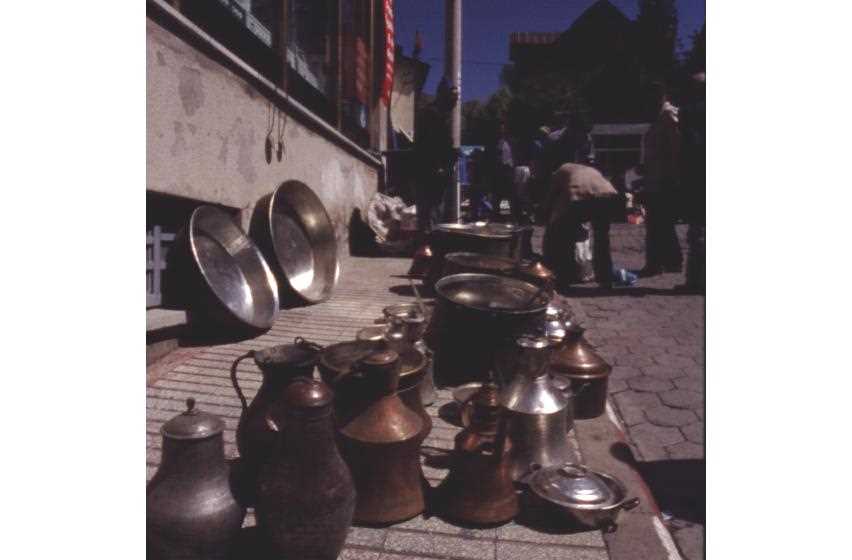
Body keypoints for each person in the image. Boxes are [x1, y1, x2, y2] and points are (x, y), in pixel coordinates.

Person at [542, 163, 619, 289]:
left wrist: (544, 211)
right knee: (602, 240)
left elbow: (551, 196)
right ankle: (605, 278)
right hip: (608, 196)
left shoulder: (559, 172)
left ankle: (564, 278)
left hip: (579, 198)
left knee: (564, 238)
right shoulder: (587, 169)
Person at [639, 82, 683, 277]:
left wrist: (672, 175)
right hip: (655, 176)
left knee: (657, 222)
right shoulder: (658, 116)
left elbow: (675, 146)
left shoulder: (667, 115)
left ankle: (656, 263)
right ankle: (671, 261)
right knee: (662, 222)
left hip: (663, 178)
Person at [413, 77, 458, 234]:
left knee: (433, 214)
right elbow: (429, 146)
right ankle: (427, 242)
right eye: (452, 97)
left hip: (436, 175)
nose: (454, 102)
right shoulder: (431, 115)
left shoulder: (440, 116)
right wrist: (440, 166)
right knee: (429, 215)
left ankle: (428, 240)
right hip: (429, 173)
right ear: (443, 96)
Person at [675, 72, 706, 293]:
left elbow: (688, 146)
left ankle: (696, 280)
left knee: (698, 231)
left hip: (697, 176)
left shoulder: (689, 113)